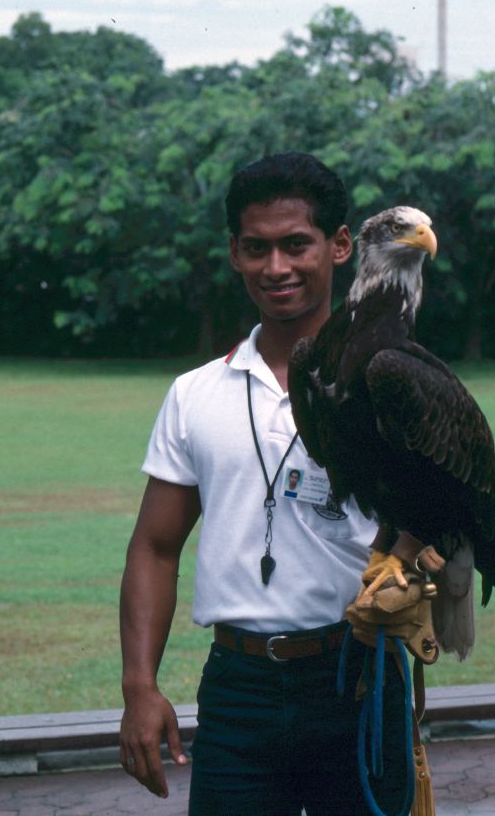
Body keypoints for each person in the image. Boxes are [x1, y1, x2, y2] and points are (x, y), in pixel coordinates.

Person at [118, 152, 411, 814]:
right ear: (234, 254)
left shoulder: (389, 382)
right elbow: (155, 548)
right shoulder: (195, 394)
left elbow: (438, 530)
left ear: (340, 247)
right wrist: (140, 684)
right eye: (256, 248)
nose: (275, 267)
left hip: (360, 674)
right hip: (239, 687)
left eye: (295, 245)